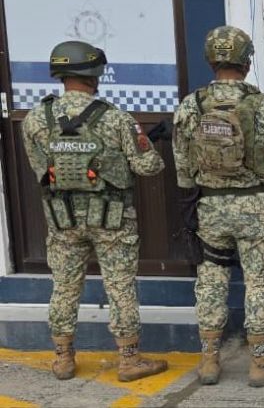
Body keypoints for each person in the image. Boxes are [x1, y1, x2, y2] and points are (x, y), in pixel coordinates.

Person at [21, 40, 167, 382]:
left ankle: (63, 359)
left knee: (63, 287)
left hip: (63, 219)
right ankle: (129, 361)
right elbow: (149, 167)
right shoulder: (116, 118)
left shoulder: (34, 119)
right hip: (111, 219)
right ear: (93, 73)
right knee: (120, 286)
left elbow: (40, 171)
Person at [172, 25, 264, 387]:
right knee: (259, 283)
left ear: (210, 60)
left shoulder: (190, 106)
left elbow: (182, 168)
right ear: (246, 62)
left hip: (209, 207)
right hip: (256, 207)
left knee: (211, 282)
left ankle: (209, 362)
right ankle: (261, 364)